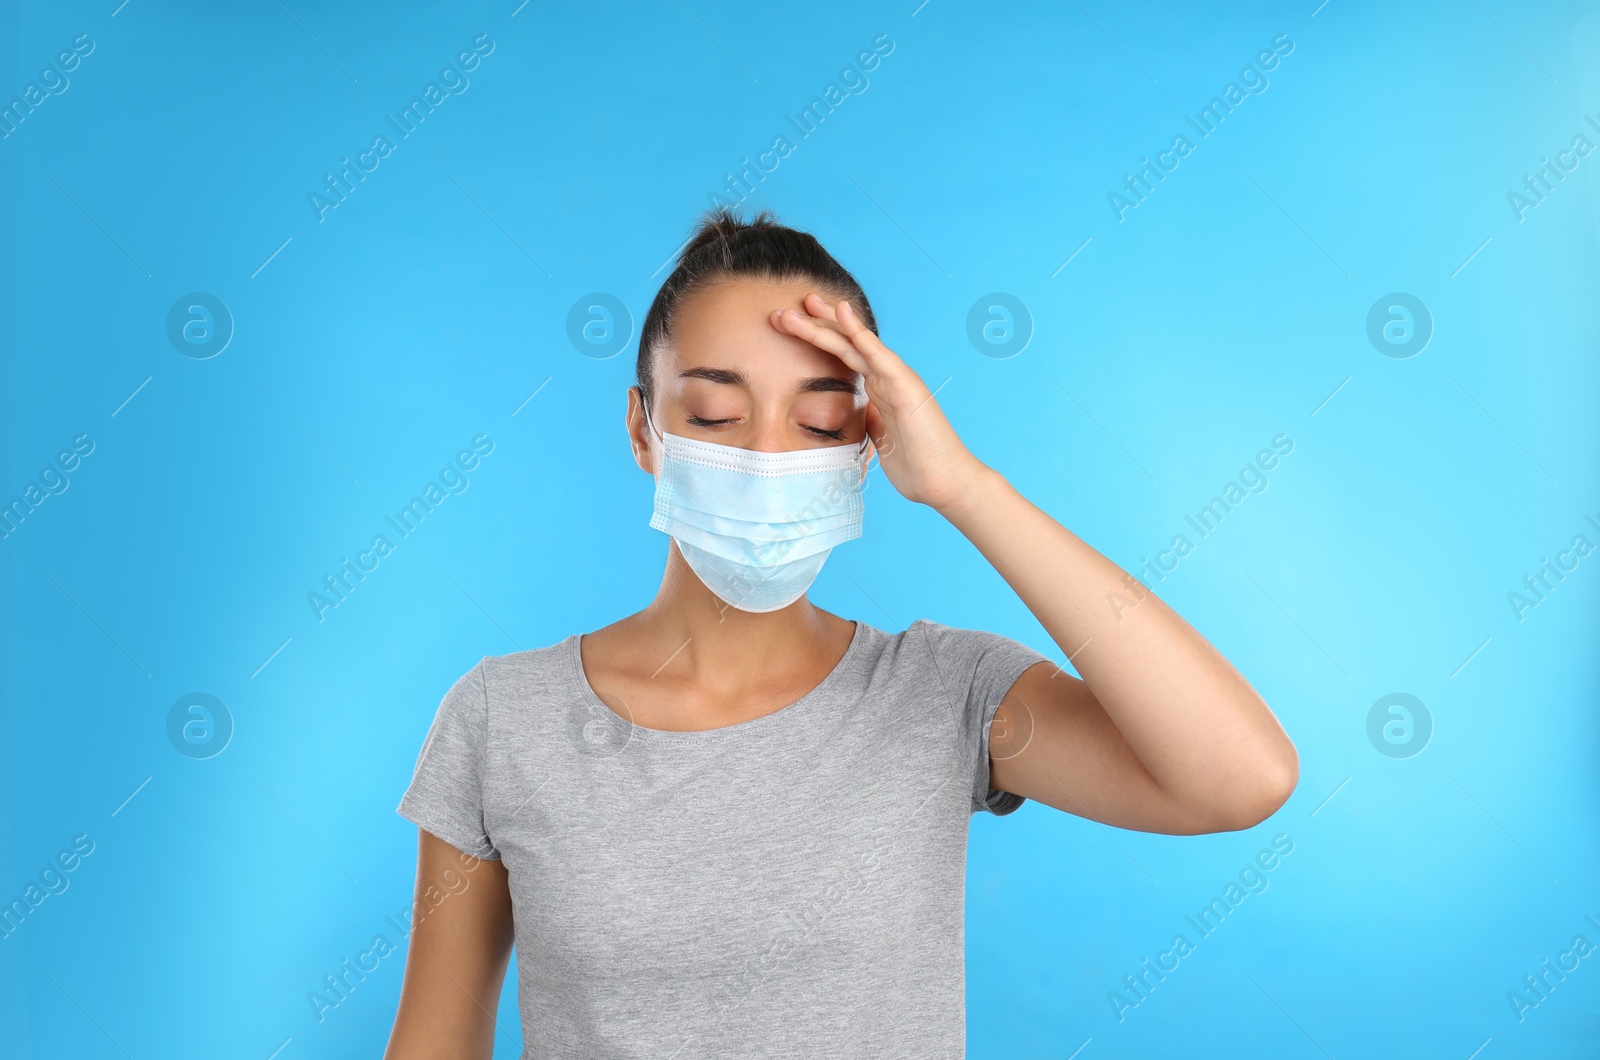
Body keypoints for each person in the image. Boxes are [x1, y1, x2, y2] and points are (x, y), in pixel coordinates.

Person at [383, 208, 1298, 1059]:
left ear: (865, 441)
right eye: (713, 413)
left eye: (819, 418)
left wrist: (964, 487)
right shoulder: (505, 717)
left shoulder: (946, 694)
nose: (767, 457)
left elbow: (1239, 778)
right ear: (642, 431)